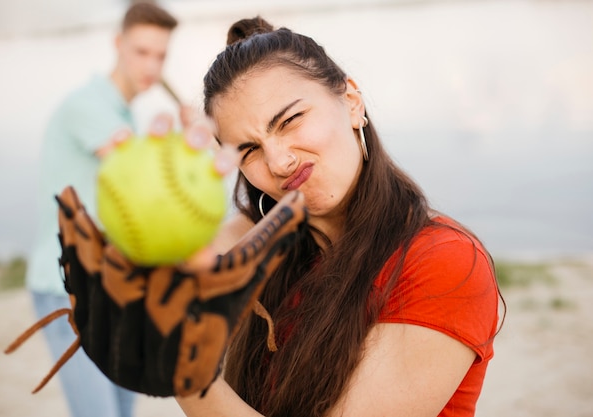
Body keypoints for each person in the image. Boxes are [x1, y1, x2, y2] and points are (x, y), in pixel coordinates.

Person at [172, 16, 504, 417]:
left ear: (351, 102)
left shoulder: (443, 262)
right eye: (249, 151)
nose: (279, 162)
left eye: (290, 120)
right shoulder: (282, 250)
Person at [24, 3, 178, 417]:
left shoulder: (122, 114)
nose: (151, 65)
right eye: (141, 52)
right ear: (117, 44)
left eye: (160, 55)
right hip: (65, 288)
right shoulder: (88, 106)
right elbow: (141, 175)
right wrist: (193, 136)